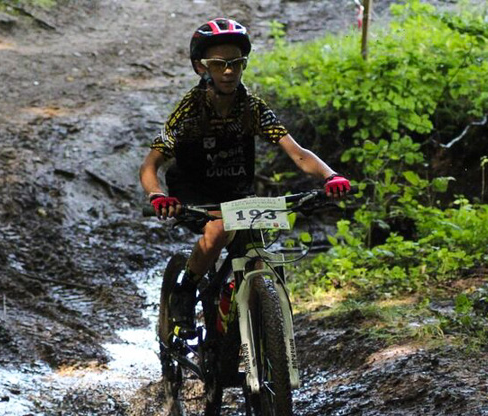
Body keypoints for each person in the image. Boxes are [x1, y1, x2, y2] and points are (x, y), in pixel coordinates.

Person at [140, 17, 351, 331]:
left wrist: (330, 176)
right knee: (218, 231)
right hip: (193, 191)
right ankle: (184, 292)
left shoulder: (252, 108)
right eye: (219, 63)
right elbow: (150, 165)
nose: (228, 71)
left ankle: (239, 322)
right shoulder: (189, 111)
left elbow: (298, 153)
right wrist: (158, 195)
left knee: (256, 244)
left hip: (235, 191)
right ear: (202, 68)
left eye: (236, 63)